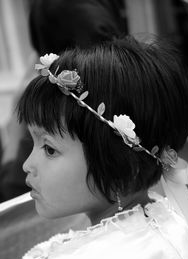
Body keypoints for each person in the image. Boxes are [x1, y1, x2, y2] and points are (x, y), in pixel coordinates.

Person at [8, 36, 188, 259]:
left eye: (50, 149)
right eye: (33, 143)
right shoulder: (179, 225)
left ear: (123, 166)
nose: (28, 165)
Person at [0, 0, 127, 202]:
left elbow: (12, 202)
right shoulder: (135, 88)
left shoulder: (55, 112)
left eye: (50, 150)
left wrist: (14, 139)